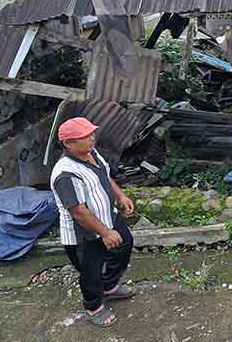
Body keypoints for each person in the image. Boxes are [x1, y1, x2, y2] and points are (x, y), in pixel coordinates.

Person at [49, 117, 136, 327]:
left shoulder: (91, 153)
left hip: (109, 217)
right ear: (68, 144)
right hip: (84, 234)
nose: (91, 138)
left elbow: (105, 176)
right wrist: (105, 233)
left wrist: (121, 196)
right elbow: (79, 212)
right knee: (91, 272)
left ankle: (109, 286)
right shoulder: (66, 174)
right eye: (84, 136)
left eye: (91, 133)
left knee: (125, 244)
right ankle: (93, 306)